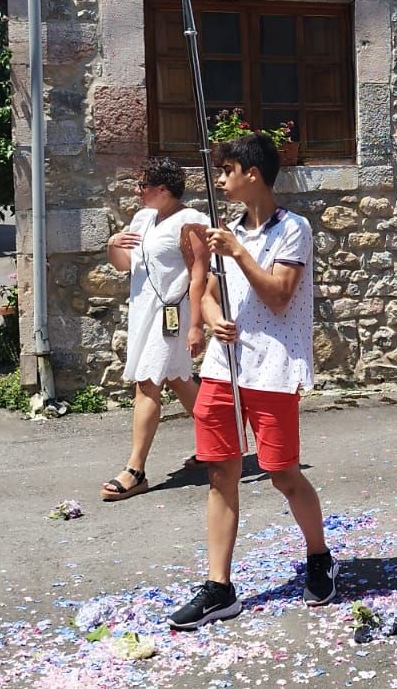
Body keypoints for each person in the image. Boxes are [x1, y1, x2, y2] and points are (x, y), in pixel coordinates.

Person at [168, 134, 335, 630]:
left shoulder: (293, 230)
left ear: (252, 174)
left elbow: (279, 296)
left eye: (227, 170)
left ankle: (319, 555)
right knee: (220, 473)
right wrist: (213, 316)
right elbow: (209, 292)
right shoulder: (229, 231)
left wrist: (239, 251)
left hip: (274, 366)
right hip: (224, 367)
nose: (220, 180)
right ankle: (220, 587)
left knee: (282, 472)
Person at [102, 158, 209, 501]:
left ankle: (135, 470)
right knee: (179, 379)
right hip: (145, 313)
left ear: (162, 189)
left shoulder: (191, 221)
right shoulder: (143, 219)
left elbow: (198, 274)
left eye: (142, 185)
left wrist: (196, 326)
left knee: (147, 381)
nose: (137, 191)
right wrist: (112, 245)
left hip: (174, 315)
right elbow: (126, 266)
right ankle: (224, 439)